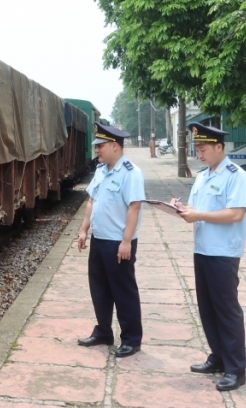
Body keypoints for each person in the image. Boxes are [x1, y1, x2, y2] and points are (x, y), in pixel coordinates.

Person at [171, 122, 246, 391]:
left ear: (219, 147)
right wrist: (183, 209)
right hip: (202, 249)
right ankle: (217, 357)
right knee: (207, 309)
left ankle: (235, 370)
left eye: (203, 149)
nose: (199, 154)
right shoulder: (204, 176)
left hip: (223, 253)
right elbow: (198, 208)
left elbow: (235, 214)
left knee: (227, 311)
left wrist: (199, 215)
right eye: (196, 149)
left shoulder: (235, 175)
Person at [77, 122, 145, 358]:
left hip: (118, 243)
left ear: (114, 146)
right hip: (99, 239)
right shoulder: (101, 171)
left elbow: (134, 207)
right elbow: (91, 202)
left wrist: (126, 242)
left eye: (101, 146)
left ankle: (132, 339)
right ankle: (103, 331)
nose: (97, 150)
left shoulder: (131, 173)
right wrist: (84, 229)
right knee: (99, 289)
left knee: (123, 291)